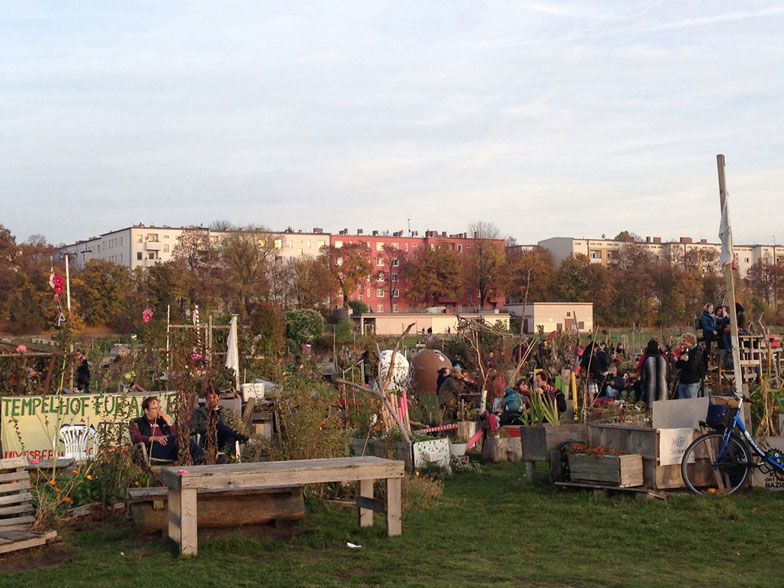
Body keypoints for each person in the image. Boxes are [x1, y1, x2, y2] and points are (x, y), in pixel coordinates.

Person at [130, 396, 205, 463]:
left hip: (169, 447)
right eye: (154, 408)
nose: (157, 410)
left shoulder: (162, 422)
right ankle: (200, 457)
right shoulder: (137, 422)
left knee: (182, 438)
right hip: (153, 449)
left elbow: (175, 434)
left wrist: (167, 421)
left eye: (158, 408)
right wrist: (155, 438)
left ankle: (200, 459)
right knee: (176, 439)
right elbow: (135, 438)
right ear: (146, 410)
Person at [191, 388, 251, 457]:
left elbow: (231, 428)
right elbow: (193, 428)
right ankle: (244, 439)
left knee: (230, 437)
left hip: (222, 440)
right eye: (209, 398)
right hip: (208, 440)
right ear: (206, 399)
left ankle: (231, 460)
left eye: (214, 397)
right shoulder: (199, 412)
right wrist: (207, 426)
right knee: (217, 424)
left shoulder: (225, 412)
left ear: (219, 397)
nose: (212, 400)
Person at [675, 333, 703, 399]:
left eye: (684, 341)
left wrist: (686, 361)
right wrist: (681, 359)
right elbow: (677, 366)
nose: (683, 343)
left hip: (692, 382)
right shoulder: (685, 351)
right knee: (682, 403)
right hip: (683, 381)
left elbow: (693, 367)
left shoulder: (697, 352)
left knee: (691, 404)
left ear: (690, 341)